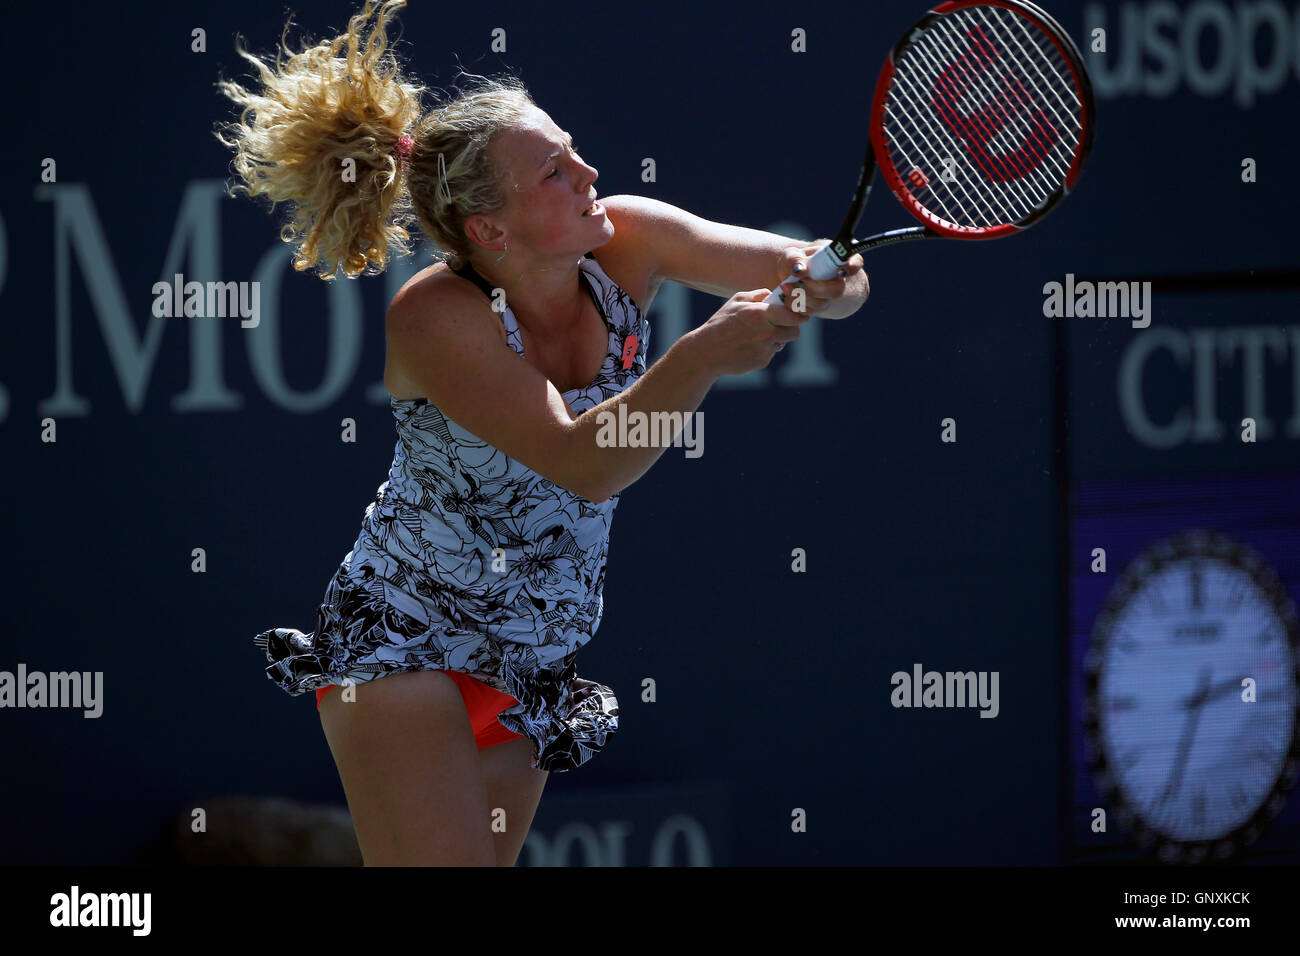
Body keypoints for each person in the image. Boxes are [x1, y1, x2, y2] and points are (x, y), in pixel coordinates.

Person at [217, 0, 868, 866]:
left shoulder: (631, 237)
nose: (590, 171)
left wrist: (825, 281)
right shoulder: (435, 318)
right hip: (403, 636)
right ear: (490, 230)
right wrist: (702, 356)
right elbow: (580, 463)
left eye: (574, 153)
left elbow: (828, 273)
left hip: (529, 654)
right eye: (556, 172)